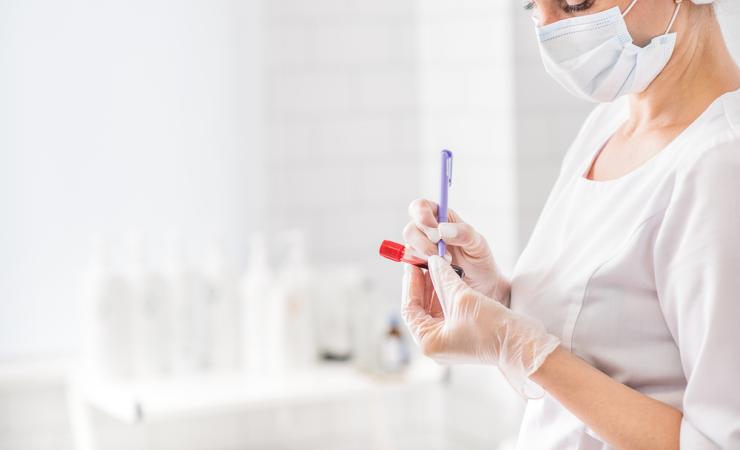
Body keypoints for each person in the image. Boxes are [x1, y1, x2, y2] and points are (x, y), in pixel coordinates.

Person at [400, 0, 740, 448]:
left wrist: (523, 348)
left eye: (575, 2)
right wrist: (494, 302)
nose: (548, 29)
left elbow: (718, 441)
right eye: (531, 5)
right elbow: (584, 369)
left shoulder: (721, 164)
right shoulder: (607, 127)